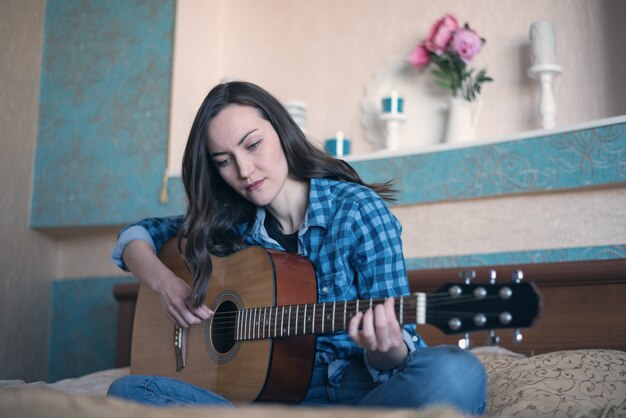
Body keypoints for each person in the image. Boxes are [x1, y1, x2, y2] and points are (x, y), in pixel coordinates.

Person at [107, 81, 487, 414]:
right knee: (128, 390)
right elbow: (137, 236)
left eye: (253, 145)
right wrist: (165, 283)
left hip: (360, 400)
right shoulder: (229, 227)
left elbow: (402, 352)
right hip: (266, 405)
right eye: (225, 161)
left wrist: (383, 347)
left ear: (282, 130)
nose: (244, 170)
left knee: (456, 374)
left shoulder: (357, 210)